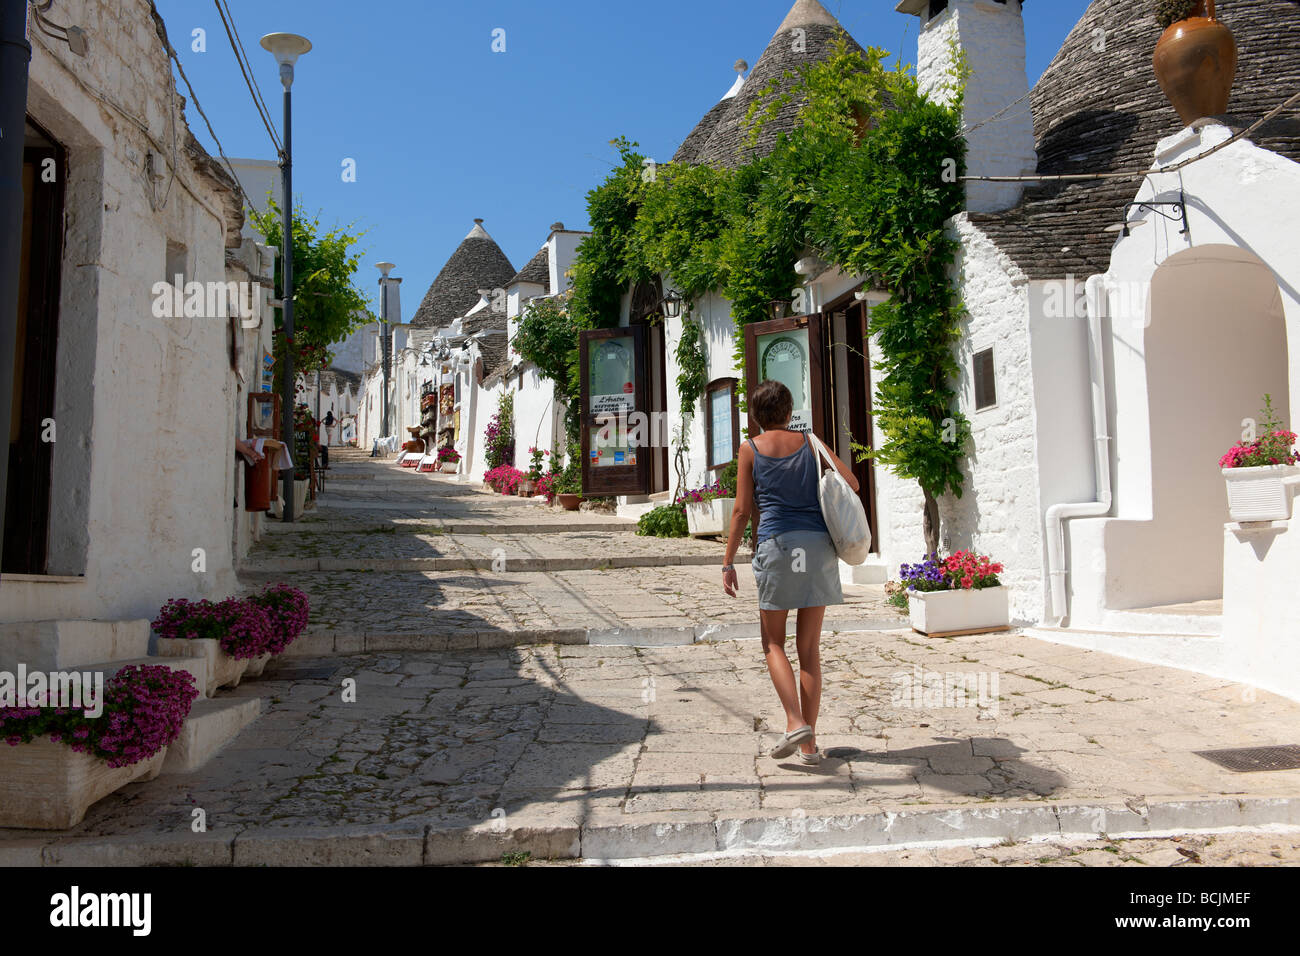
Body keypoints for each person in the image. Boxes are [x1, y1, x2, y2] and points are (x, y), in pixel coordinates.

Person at [722, 380, 860, 764]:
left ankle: (794, 720)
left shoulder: (750, 448)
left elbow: (741, 510)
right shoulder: (811, 442)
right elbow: (851, 482)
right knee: (810, 651)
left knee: (773, 644)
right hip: (817, 548)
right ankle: (809, 748)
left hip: (778, 548)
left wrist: (728, 560)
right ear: (789, 411)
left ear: (755, 416)